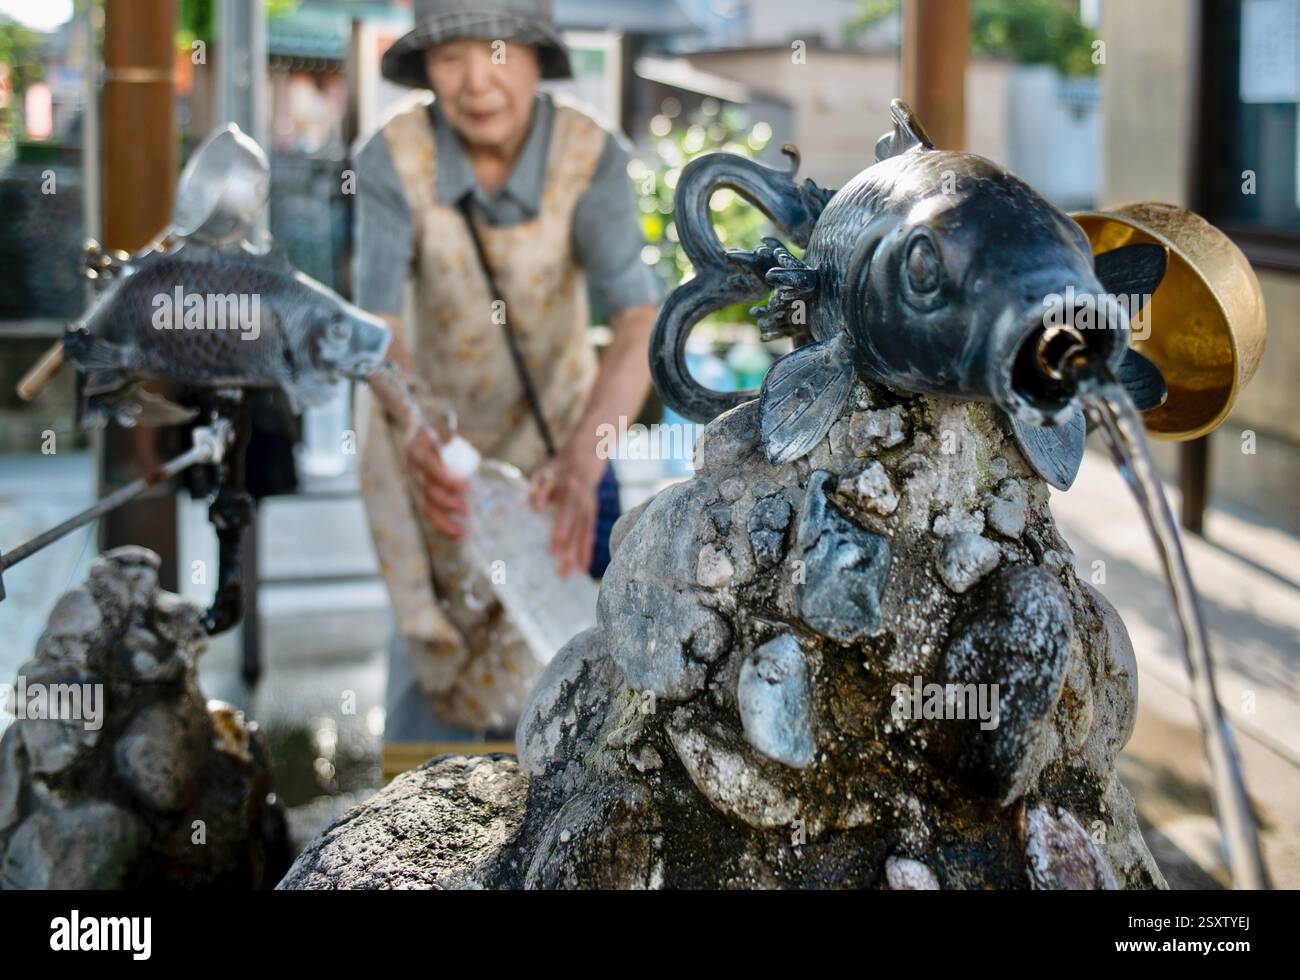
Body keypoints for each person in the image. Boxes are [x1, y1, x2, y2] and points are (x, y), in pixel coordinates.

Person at [352, 0, 660, 738]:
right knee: (438, 661)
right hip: (430, 436)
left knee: (583, 664)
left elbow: (636, 322)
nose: (475, 82)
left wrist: (586, 460)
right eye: (449, 57)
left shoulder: (591, 154)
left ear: (535, 59)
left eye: (496, 52)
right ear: (425, 67)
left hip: (563, 438)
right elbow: (377, 329)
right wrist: (419, 429)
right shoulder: (391, 156)